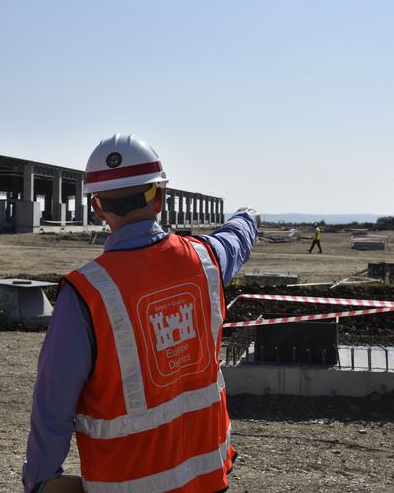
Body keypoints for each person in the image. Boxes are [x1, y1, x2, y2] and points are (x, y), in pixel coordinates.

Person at [22, 134, 259, 492]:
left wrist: (39, 480)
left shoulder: (84, 293)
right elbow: (235, 240)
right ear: (160, 198)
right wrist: (248, 216)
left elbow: (52, 405)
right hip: (207, 478)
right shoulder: (205, 260)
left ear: (98, 208)